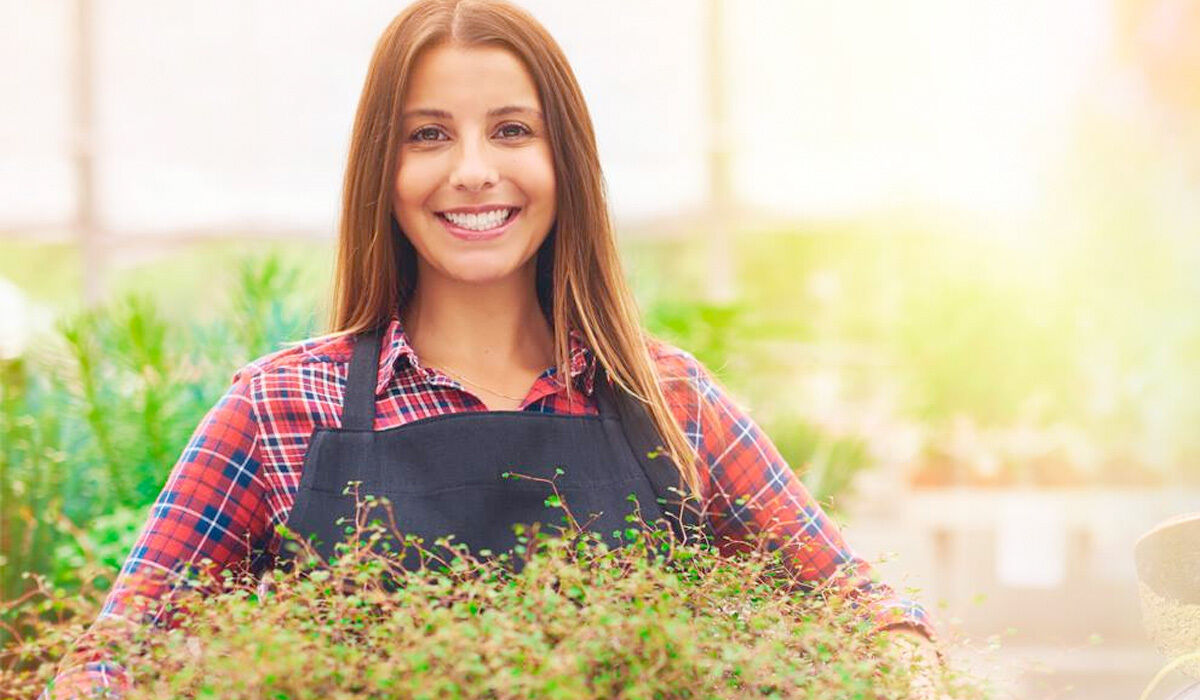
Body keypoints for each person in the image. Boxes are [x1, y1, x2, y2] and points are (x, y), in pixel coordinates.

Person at [41, 1, 944, 697]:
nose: (472, 168)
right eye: (428, 134)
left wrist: (904, 667)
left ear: (567, 164)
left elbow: (871, 615)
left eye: (512, 130)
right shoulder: (282, 408)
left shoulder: (671, 401)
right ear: (382, 176)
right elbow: (111, 661)